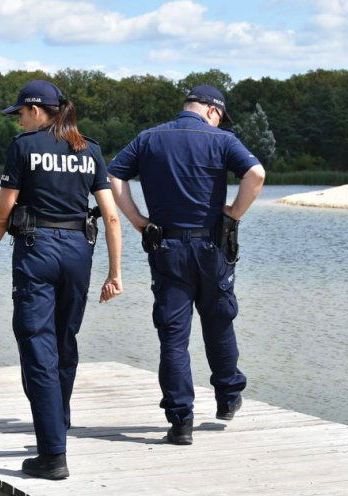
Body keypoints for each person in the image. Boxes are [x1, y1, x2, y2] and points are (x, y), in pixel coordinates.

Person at [0, 80, 122, 479]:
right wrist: (115, 272)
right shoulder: (89, 149)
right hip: (79, 252)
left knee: (38, 347)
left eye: (20, 113)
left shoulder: (24, 148)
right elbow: (109, 216)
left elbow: (2, 215)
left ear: (37, 111)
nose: (18, 121)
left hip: (38, 250)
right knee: (63, 340)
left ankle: (52, 455)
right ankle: (61, 422)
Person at [107, 84, 265, 445]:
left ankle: (181, 423)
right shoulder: (221, 140)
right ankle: (227, 399)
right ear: (212, 109)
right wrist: (234, 214)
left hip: (167, 247)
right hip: (212, 246)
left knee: (173, 338)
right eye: (221, 116)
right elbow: (256, 175)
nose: (220, 121)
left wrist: (137, 220)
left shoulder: (148, 138)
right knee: (218, 321)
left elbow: (114, 176)